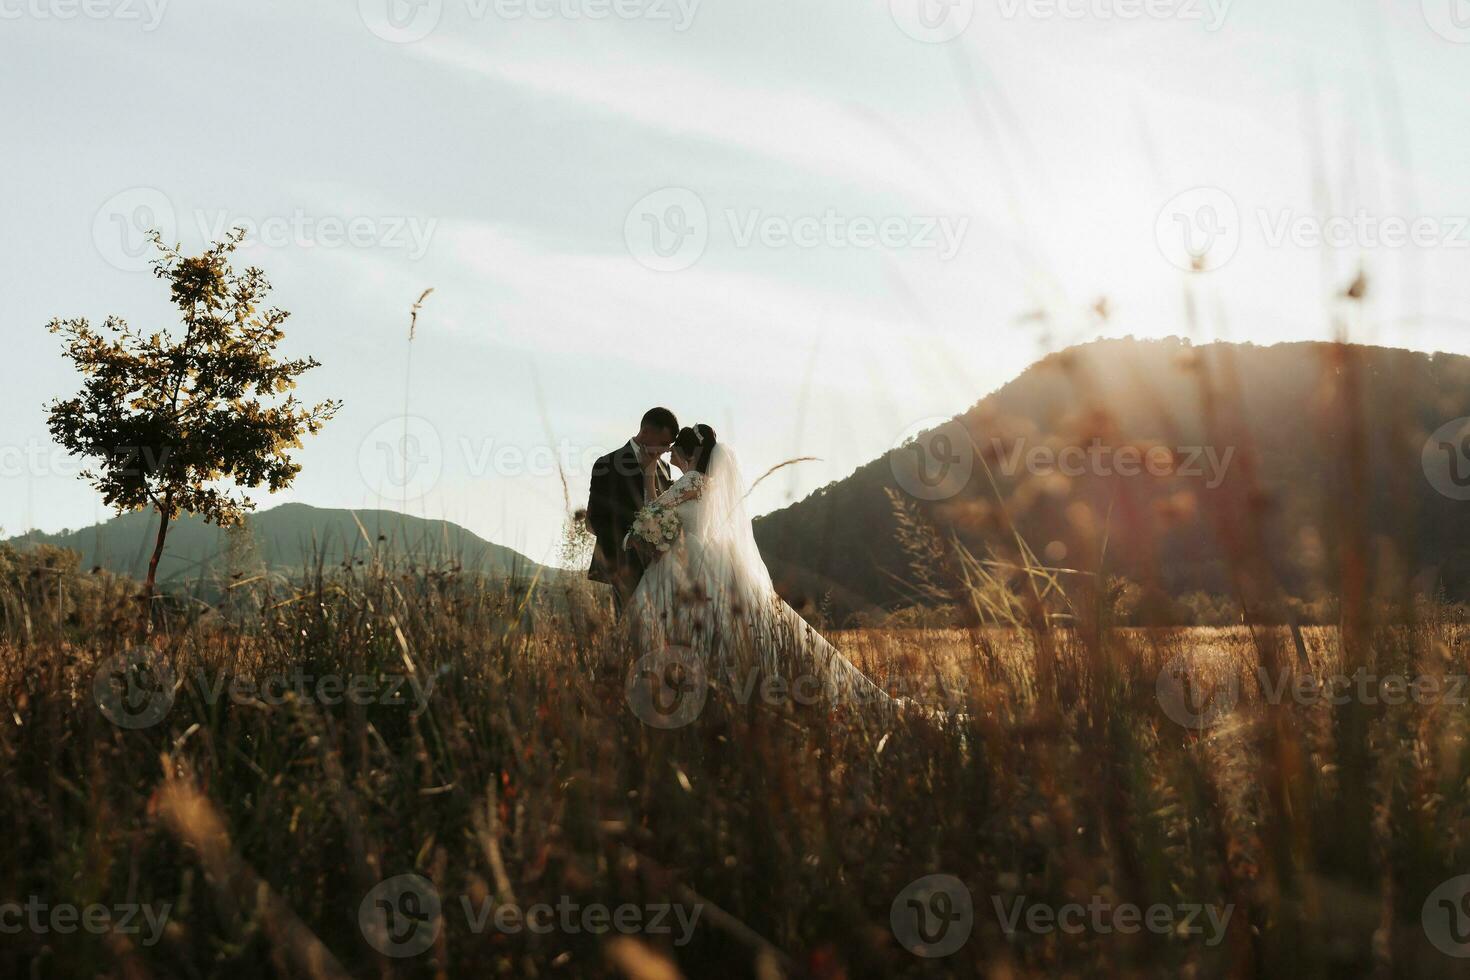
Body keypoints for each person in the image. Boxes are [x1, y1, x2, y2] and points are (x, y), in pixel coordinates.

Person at [585, 407, 678, 615]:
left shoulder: (665, 469)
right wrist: (631, 540)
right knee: (626, 633)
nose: (665, 450)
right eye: (663, 443)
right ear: (646, 432)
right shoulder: (606, 464)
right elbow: (596, 519)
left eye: (669, 445)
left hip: (659, 568)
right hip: (622, 566)